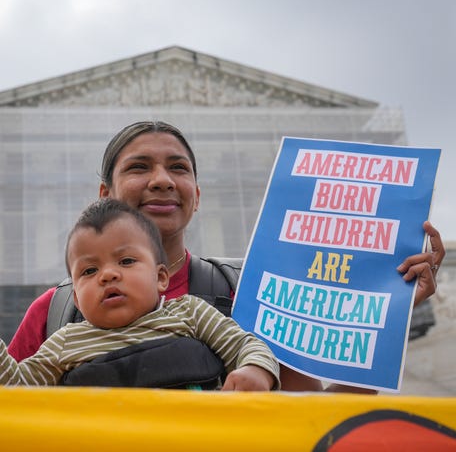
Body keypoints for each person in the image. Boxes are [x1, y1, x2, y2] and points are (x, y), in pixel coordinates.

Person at [8, 121, 446, 392]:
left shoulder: (250, 293)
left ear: (196, 197)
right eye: (139, 167)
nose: (162, 180)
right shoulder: (54, 314)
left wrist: (389, 316)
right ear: (104, 196)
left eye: (178, 168)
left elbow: (309, 419)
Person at [0, 198, 279, 390]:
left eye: (126, 262)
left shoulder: (191, 313)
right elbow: (18, 389)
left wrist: (256, 370)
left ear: (160, 278)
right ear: (76, 299)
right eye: (89, 271)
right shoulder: (65, 341)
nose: (107, 275)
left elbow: (245, 345)